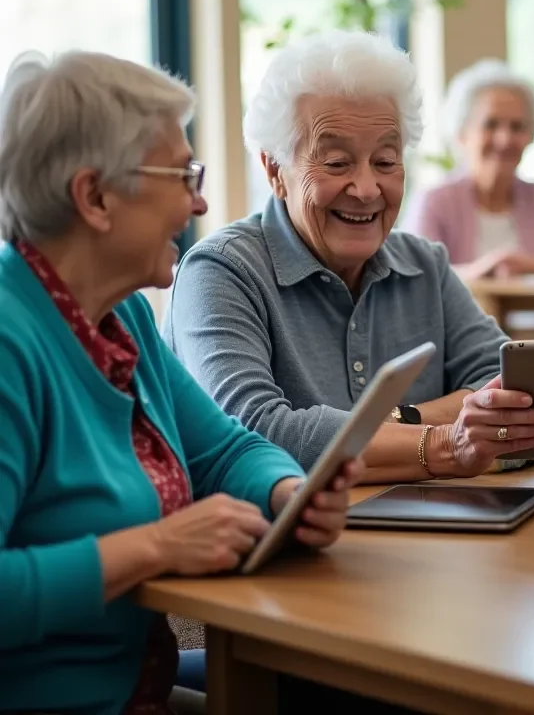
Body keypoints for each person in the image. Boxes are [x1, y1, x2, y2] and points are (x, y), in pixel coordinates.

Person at [0, 51, 358, 715]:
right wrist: (155, 546)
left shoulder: (123, 314)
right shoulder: (8, 338)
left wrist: (289, 495)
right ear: (95, 196)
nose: (199, 200)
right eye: (182, 173)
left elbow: (225, 449)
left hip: (135, 683)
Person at [164, 31, 534, 480]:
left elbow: (518, 394)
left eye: (386, 162)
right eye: (335, 163)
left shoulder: (424, 265)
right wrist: (445, 441)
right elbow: (255, 431)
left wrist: (399, 421)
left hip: (430, 536)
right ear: (274, 169)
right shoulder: (220, 271)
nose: (367, 190)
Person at [404, 59, 534, 281]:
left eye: (517, 127)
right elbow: (416, 277)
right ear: (461, 133)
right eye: (490, 124)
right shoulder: (434, 201)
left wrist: (527, 266)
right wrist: (483, 270)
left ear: (531, 136)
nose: (504, 139)